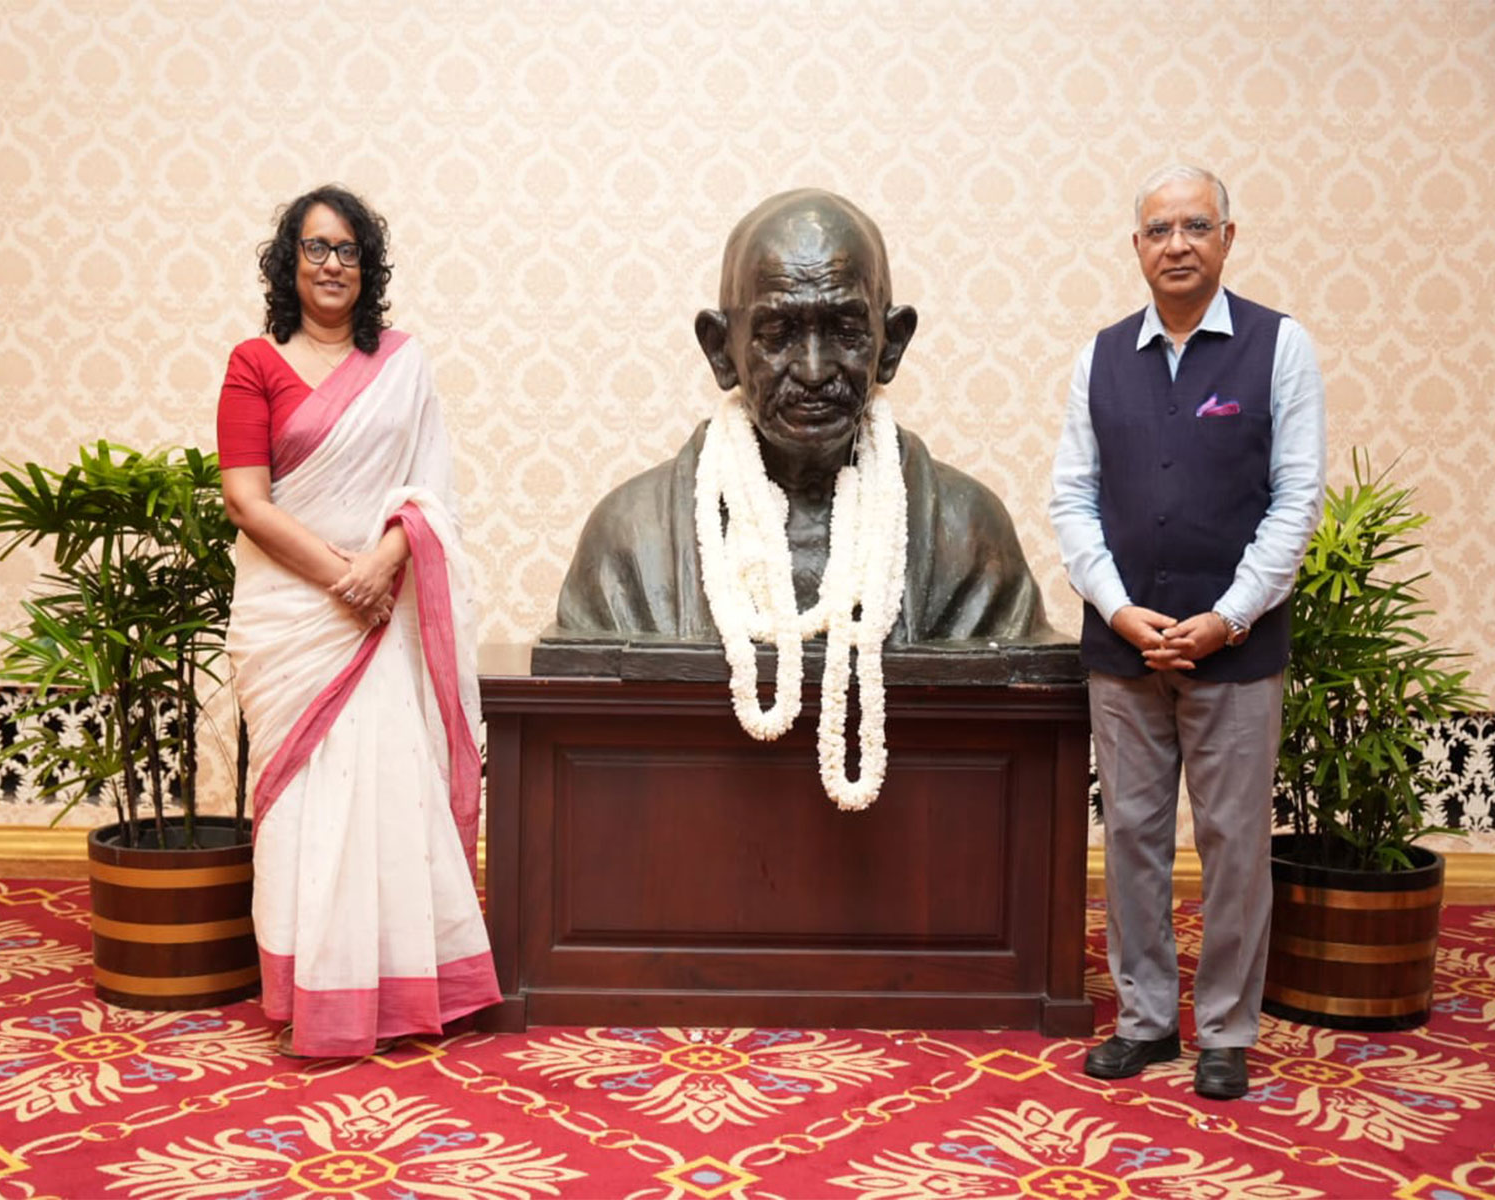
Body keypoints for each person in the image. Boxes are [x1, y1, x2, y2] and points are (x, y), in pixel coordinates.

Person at [1049, 165, 1326, 1100]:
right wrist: (1119, 609)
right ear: (1136, 247)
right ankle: (1146, 1021)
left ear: (1228, 238)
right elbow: (1073, 500)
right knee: (1129, 838)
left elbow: (1296, 501)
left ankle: (1226, 1031)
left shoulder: (1278, 349)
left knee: (1234, 844)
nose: (1176, 243)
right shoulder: (1098, 357)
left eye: (1195, 226)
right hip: (1123, 648)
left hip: (1237, 651)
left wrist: (1227, 616)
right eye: (1158, 229)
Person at [217, 184, 500, 1057]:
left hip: (383, 609)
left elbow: (431, 492)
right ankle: (318, 990)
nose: (332, 264)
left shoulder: (404, 365)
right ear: (288, 263)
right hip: (295, 619)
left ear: (367, 265)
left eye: (347, 250)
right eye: (315, 248)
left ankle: (403, 985)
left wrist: (382, 568)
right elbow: (246, 501)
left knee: (388, 787)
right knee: (308, 803)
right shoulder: (253, 364)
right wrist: (346, 580)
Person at [556, 188, 1049, 645]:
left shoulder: (970, 538)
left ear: (891, 344)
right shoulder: (628, 539)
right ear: (720, 350)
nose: (814, 369)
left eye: (845, 329)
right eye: (778, 332)